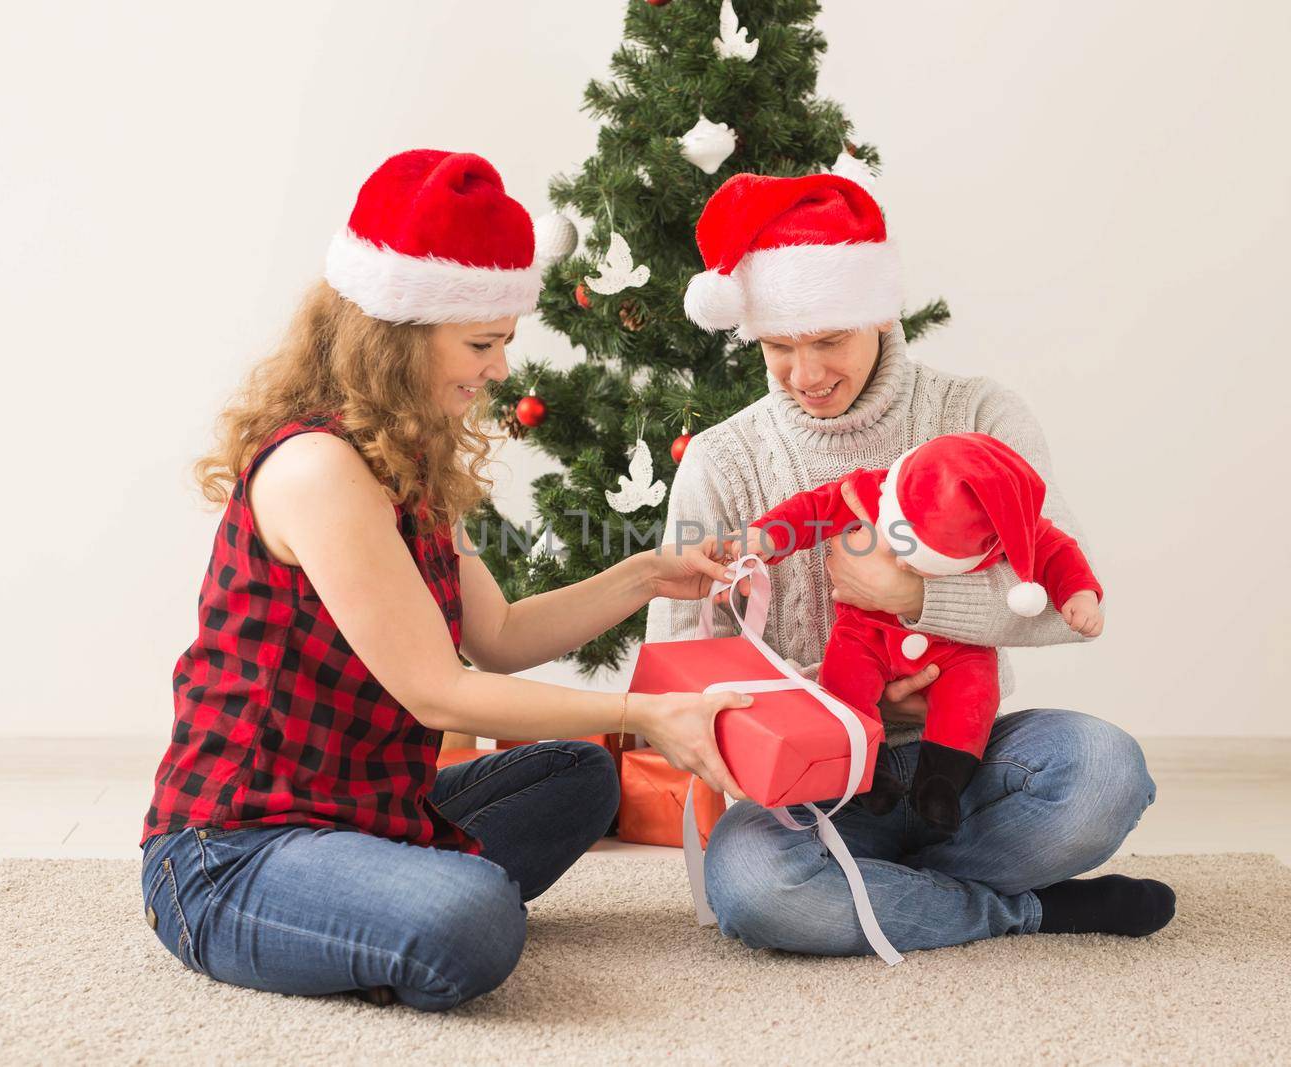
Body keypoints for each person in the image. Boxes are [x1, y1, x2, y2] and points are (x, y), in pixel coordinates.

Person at [139, 149, 750, 1010]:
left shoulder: (403, 456)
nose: (499, 369)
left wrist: (648, 573)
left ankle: (377, 896)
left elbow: (497, 638)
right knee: (472, 921)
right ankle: (395, 904)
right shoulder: (318, 469)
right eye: (481, 343)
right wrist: (642, 712)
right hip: (232, 850)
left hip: (366, 806)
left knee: (580, 776)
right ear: (395, 334)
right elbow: (439, 692)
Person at [648, 171, 1175, 957]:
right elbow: (678, 671)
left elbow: (1067, 599)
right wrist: (823, 703)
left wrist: (913, 596)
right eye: (779, 347)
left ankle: (888, 893)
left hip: (959, 756)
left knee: (1103, 770)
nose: (806, 374)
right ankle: (1024, 908)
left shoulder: (977, 414)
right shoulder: (724, 461)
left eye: (830, 340)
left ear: (880, 313)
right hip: (814, 786)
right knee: (756, 885)